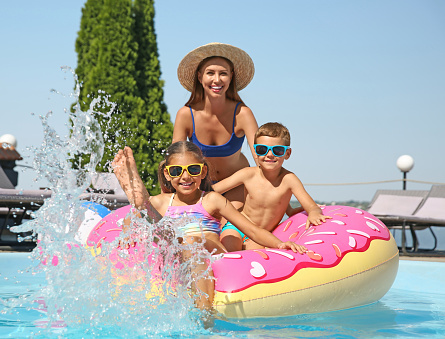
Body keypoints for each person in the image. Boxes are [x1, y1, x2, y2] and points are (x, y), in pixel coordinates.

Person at [112, 141, 307, 312]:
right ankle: (139, 203)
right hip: (174, 250)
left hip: (209, 249)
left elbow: (252, 230)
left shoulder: (211, 199)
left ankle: (205, 314)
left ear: (203, 171)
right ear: (167, 174)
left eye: (193, 170)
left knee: (189, 240)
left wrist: (281, 244)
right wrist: (127, 234)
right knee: (162, 232)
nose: (185, 177)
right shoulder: (162, 202)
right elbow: (132, 220)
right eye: (176, 171)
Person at [213, 122, 332, 252]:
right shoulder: (247, 174)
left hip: (262, 235)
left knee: (254, 259)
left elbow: (310, 207)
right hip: (236, 227)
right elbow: (212, 191)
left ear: (287, 153)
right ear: (255, 152)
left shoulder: (289, 180)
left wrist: (314, 213)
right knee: (229, 253)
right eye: (262, 149)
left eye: (278, 150)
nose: (269, 154)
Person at [173, 43, 258, 210]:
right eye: (210, 73)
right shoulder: (185, 115)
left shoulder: (243, 114)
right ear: (199, 77)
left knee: (227, 223)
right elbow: (174, 161)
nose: (217, 80)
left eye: (223, 74)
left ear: (231, 77)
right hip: (200, 188)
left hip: (236, 187)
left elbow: (263, 160)